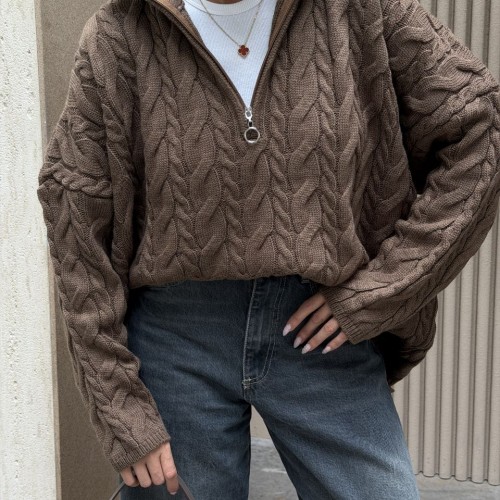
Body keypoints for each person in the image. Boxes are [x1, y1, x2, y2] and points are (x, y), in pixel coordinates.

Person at [36, 0, 500, 497]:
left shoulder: (361, 11)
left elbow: (480, 125)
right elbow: (74, 213)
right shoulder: (119, 33)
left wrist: (383, 290)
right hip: (175, 344)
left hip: (321, 330)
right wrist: (119, 405)